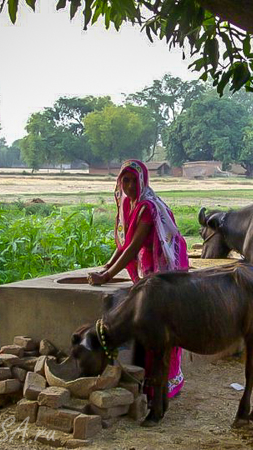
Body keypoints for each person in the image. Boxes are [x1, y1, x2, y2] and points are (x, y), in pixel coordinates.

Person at [87, 159, 189, 399]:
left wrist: (107, 276)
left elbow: (133, 248)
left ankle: (168, 380)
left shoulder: (146, 206)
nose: (129, 186)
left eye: (134, 180)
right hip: (148, 262)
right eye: (125, 180)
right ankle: (151, 377)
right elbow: (124, 243)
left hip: (165, 264)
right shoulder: (126, 203)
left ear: (143, 181)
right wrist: (108, 266)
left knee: (162, 322)